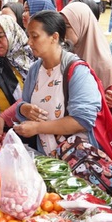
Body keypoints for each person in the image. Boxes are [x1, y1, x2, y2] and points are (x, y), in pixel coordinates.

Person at [8, 10, 103, 155]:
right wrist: (23, 109)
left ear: (54, 37)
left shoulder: (77, 71)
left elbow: (82, 120)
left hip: (77, 159)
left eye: (35, 36)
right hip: (48, 157)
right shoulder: (35, 70)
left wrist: (38, 128)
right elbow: (25, 102)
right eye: (28, 36)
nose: (29, 42)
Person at [61, 2, 112, 91]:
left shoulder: (104, 66)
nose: (62, 30)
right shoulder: (63, 53)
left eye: (67, 26)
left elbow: (110, 102)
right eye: (61, 25)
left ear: (82, 25)